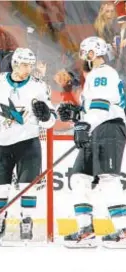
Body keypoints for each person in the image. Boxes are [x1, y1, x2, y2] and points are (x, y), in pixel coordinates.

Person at [0, 47, 56, 244]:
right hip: (0, 142)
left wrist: (45, 116)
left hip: (27, 142)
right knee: (0, 188)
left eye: (30, 65)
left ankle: (26, 220)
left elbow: (51, 120)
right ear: (14, 63)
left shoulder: (39, 86)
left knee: (27, 186)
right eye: (23, 64)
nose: (27, 68)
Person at [57, 36, 126, 248]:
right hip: (97, 128)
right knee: (78, 177)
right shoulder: (96, 75)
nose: (84, 57)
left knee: (107, 178)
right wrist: (78, 115)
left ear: (91, 53)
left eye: (85, 52)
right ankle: (86, 229)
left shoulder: (103, 72)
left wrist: (83, 124)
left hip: (109, 127)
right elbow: (93, 109)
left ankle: (123, 230)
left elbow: (101, 106)